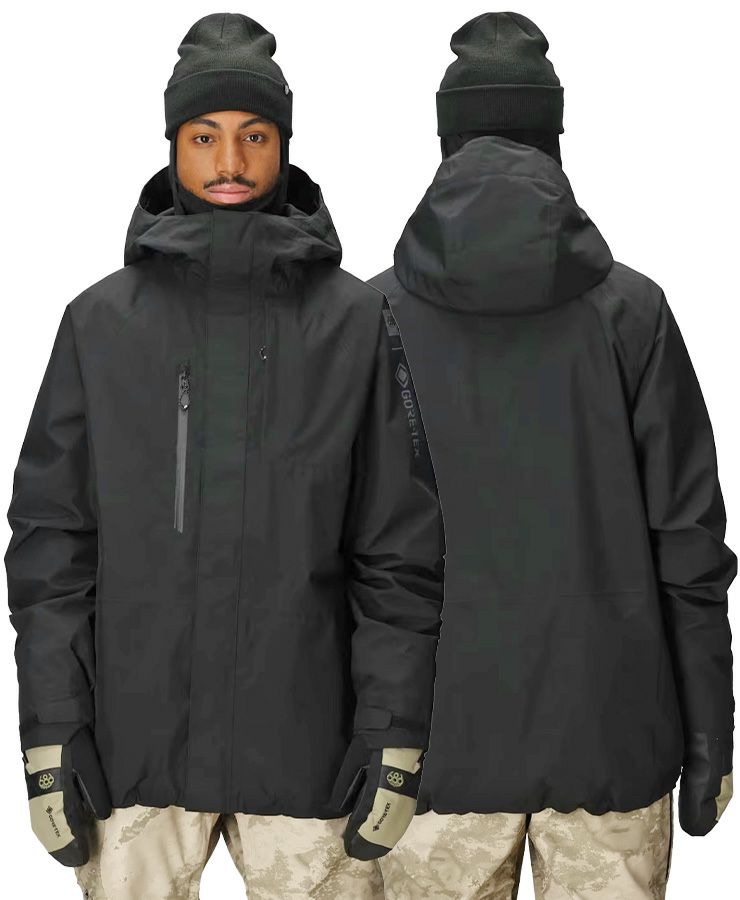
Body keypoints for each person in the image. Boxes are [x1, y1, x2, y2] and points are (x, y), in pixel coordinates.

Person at [5, 13, 445, 899]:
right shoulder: (100, 323)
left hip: (310, 758)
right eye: (204, 137)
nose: (231, 162)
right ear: (173, 147)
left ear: (285, 146)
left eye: (255, 136)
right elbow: (52, 546)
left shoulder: (357, 322)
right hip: (133, 759)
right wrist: (51, 728)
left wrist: (394, 733)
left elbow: (398, 550)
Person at [369, 12, 735, 899]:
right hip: (611, 736)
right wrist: (709, 732)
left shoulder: (371, 316)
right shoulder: (632, 312)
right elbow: (688, 546)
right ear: (555, 142)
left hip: (433, 751)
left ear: (445, 145)